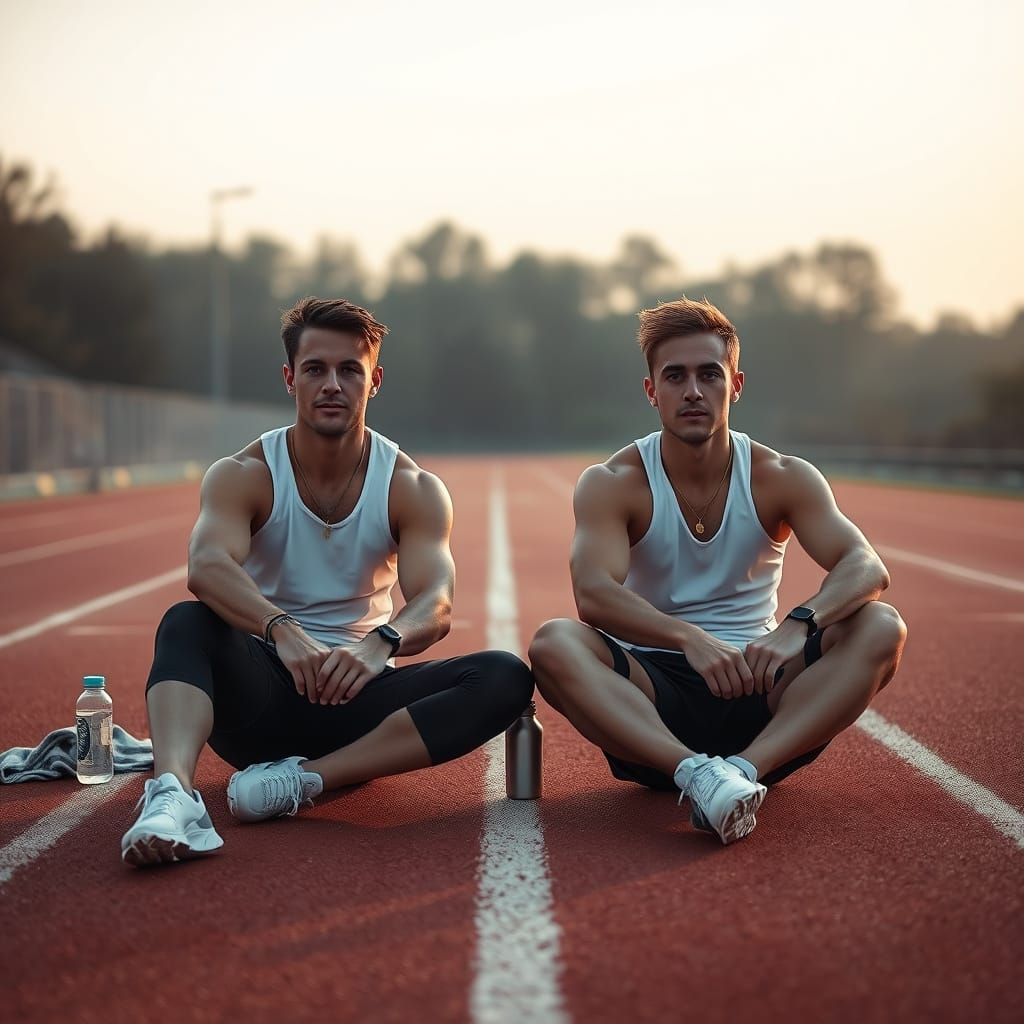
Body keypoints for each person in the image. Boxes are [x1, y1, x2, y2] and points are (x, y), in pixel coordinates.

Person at [121, 297, 533, 866]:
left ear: (375, 380)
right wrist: (281, 630)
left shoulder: (410, 486)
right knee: (186, 622)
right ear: (291, 378)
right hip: (261, 697)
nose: (332, 384)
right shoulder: (247, 474)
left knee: (505, 676)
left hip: (359, 705)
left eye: (349, 370)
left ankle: (304, 782)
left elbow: (436, 601)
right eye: (315, 368)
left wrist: (379, 644)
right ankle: (171, 795)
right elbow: (206, 565)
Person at [528, 297, 907, 845]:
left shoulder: (781, 476)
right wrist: (690, 639)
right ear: (651, 391)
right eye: (675, 376)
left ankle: (744, 772)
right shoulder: (614, 481)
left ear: (736, 383)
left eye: (710, 374)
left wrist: (798, 626)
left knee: (882, 626)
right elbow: (593, 594)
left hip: (760, 686)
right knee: (553, 643)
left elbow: (864, 564)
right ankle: (696, 775)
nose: (693, 391)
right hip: (654, 698)